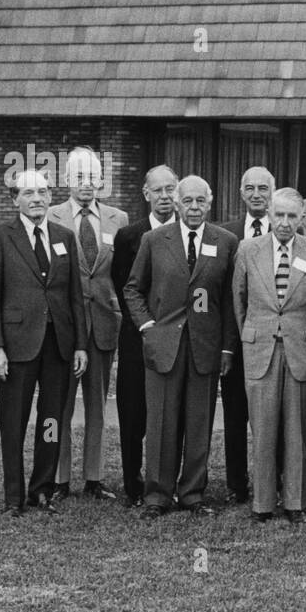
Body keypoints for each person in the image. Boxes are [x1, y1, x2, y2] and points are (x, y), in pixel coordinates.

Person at [124, 176, 238, 518]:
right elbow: (133, 289)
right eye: (187, 201)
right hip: (164, 346)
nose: (193, 207)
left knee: (199, 421)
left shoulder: (226, 241)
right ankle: (158, 494)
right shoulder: (154, 239)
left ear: (210, 201)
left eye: (200, 201)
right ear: (176, 202)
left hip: (205, 346)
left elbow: (231, 301)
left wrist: (227, 349)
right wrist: (147, 326)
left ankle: (192, 493)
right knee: (161, 421)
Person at [0, 171, 87, 516]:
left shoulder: (64, 237)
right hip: (16, 346)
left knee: (51, 421)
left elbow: (75, 296)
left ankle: (41, 489)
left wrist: (80, 345)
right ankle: (13, 497)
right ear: (15, 199)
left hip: (58, 345)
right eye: (28, 193)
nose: (37, 198)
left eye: (43, 192)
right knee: (13, 421)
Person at [232, 188, 306, 524]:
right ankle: (262, 502)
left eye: (292, 216)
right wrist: (252, 333)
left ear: (302, 218)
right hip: (260, 346)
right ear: (269, 216)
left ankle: (294, 502)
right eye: (279, 215)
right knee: (262, 425)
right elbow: (238, 301)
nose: (285, 222)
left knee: (297, 427)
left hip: (302, 347)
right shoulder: (248, 249)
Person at [48, 146, 128, 501]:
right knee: (60, 404)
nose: (87, 184)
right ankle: (59, 477)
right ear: (67, 180)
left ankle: (93, 477)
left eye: (93, 177)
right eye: (79, 177)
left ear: (102, 181)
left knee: (97, 404)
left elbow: (121, 274)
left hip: (103, 322)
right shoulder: (49, 216)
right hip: (65, 325)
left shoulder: (118, 219)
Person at [110, 165, 177, 507]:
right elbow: (125, 288)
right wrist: (145, 324)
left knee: (169, 413)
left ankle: (168, 478)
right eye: (159, 191)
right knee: (133, 412)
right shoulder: (128, 237)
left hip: (177, 338)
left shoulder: (188, 234)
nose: (165, 197)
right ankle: (133, 482)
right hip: (138, 337)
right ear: (146, 194)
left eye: (171, 190)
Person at [214, 166, 274, 503]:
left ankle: (273, 479)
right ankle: (238, 484)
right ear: (241, 192)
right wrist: (226, 346)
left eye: (262, 188)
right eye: (249, 188)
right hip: (237, 342)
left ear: (272, 191)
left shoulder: (286, 230)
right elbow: (225, 295)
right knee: (236, 415)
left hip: (273, 340)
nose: (256, 194)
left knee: (270, 416)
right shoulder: (226, 234)